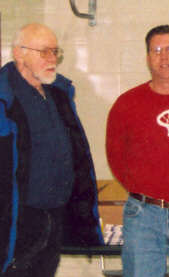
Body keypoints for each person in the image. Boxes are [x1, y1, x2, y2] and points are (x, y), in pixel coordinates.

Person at [106, 25, 169, 277]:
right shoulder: (127, 103)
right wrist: (146, 190)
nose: (164, 56)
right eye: (157, 50)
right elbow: (115, 155)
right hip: (143, 216)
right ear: (147, 58)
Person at [0, 23, 103, 276]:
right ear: (19, 53)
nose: (52, 59)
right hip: (17, 221)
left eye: (55, 52)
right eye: (44, 52)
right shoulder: (5, 97)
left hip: (54, 217)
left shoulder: (58, 94)